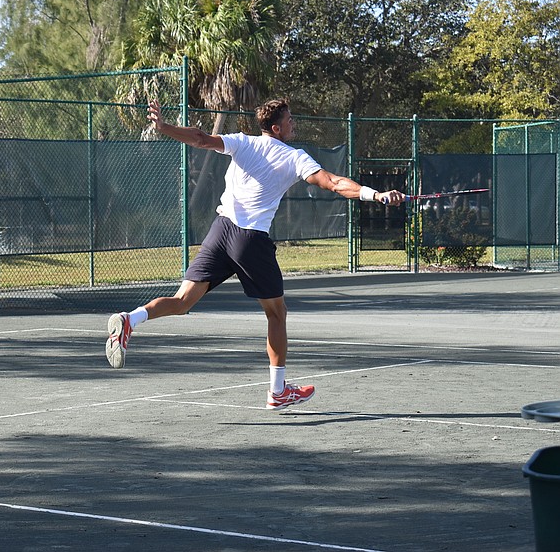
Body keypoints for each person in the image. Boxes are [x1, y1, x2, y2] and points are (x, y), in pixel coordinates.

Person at [105, 99, 405, 409]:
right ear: (276, 127)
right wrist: (376, 194)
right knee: (277, 313)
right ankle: (277, 391)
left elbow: (199, 138)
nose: (294, 124)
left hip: (219, 232)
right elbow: (332, 183)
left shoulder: (242, 142)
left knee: (182, 302)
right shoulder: (295, 157)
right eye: (289, 120)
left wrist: (164, 127)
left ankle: (130, 319)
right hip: (249, 240)